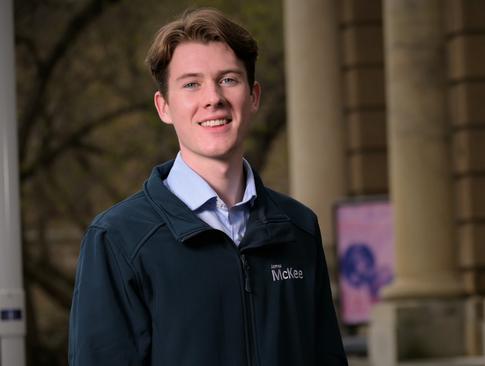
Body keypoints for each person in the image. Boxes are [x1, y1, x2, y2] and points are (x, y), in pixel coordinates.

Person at [68, 7, 348, 366]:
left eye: (228, 79)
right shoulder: (118, 238)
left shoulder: (298, 229)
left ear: (254, 96)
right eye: (191, 84)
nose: (213, 97)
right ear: (164, 107)